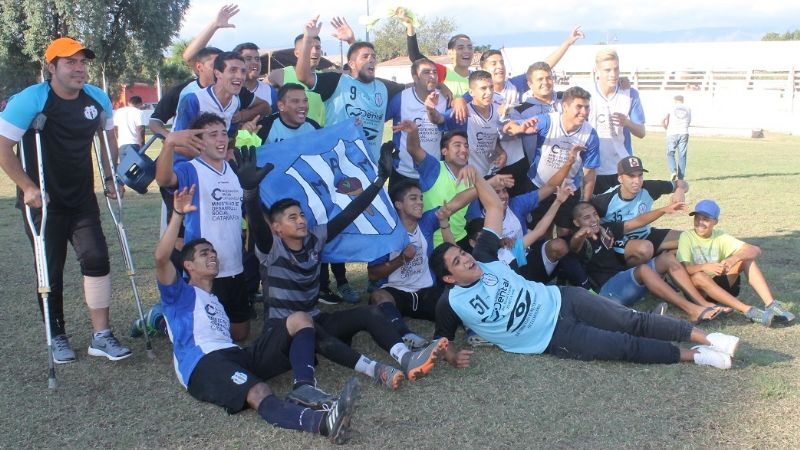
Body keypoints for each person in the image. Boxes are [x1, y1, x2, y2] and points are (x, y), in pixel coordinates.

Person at [429, 168, 740, 371]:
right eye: (458, 262)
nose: (467, 260)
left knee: (630, 320)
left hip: (563, 298)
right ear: (448, 278)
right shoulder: (452, 302)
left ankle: (708, 338)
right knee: (621, 346)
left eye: (462, 254)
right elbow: (441, 338)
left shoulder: (483, 254)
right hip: (551, 337)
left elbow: (494, 208)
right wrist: (451, 355)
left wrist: (478, 176)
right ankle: (696, 356)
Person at [154, 185, 359, 444]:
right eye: (204, 254)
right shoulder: (179, 295)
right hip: (204, 364)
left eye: (213, 252)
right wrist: (177, 214)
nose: (213, 256)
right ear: (188, 266)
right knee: (259, 391)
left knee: (300, 319)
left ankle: (304, 388)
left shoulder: (214, 300)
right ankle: (322, 423)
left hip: (235, 355)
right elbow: (161, 259)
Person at [236, 143, 449, 390]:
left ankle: (407, 357)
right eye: (292, 218)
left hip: (314, 320)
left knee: (368, 313)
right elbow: (257, 225)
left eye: (302, 215)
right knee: (314, 329)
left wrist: (380, 180)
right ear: (277, 228)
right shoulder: (270, 249)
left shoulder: (315, 239)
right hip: (282, 330)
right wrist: (250, 192)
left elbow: (350, 213)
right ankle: (374, 370)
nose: (301, 220)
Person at [0, 37, 131, 363]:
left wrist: (112, 176)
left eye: (83, 62)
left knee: (97, 258)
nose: (79, 68)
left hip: (82, 198)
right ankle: (56, 334)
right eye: (70, 62)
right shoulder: (30, 100)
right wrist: (27, 187)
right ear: (52, 67)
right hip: (42, 201)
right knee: (50, 268)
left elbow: (108, 138)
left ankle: (100, 335)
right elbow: (3, 147)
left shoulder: (97, 98)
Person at [155, 112, 252, 341]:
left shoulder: (235, 169)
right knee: (206, 334)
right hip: (203, 268)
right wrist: (169, 143)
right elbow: (163, 179)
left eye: (223, 134)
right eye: (212, 135)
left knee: (239, 335)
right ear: (198, 141)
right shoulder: (191, 170)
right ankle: (158, 319)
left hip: (234, 264)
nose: (221, 140)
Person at [569, 201, 728, 323]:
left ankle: (703, 303)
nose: (593, 219)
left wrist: (663, 210)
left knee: (667, 258)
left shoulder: (607, 229)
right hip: (608, 293)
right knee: (644, 270)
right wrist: (580, 235)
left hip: (624, 281)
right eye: (586, 217)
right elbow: (574, 247)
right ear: (576, 223)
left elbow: (636, 222)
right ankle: (692, 310)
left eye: (595, 214)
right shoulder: (580, 241)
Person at [368, 175, 475, 349]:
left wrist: (485, 184)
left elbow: (455, 204)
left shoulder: (426, 221)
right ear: (398, 204)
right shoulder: (386, 234)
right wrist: (401, 259)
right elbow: (372, 274)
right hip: (397, 291)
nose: (420, 202)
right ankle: (405, 335)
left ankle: (473, 330)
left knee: (455, 291)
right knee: (378, 296)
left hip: (427, 290)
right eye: (413, 198)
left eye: (421, 198)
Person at [296, 15, 404, 161]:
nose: (371, 59)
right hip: (338, 163)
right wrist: (308, 39)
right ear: (351, 64)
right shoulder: (337, 81)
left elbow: (416, 84)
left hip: (370, 167)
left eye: (373, 56)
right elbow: (303, 76)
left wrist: (442, 87)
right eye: (365, 56)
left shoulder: (382, 87)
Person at [677, 199, 795, 326]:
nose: (700, 222)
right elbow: (685, 269)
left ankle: (771, 304)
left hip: (719, 282)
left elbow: (755, 250)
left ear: (715, 222)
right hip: (698, 291)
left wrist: (732, 259)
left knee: (746, 259)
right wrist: (706, 266)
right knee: (699, 276)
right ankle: (748, 310)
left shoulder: (720, 236)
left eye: (705, 219)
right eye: (697, 218)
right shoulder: (687, 236)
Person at [514, 86, 599, 236]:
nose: (584, 112)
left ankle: (561, 259)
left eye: (587, 107)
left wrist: (585, 201)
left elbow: (590, 171)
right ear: (564, 106)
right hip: (538, 185)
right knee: (539, 231)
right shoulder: (548, 121)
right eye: (579, 107)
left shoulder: (590, 135)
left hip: (568, 189)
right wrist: (517, 129)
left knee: (565, 231)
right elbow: (517, 125)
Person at [591, 156, 688, 267]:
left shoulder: (649, 187)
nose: (637, 181)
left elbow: (682, 183)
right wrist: (600, 228)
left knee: (688, 239)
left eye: (640, 175)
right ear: (620, 178)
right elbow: (583, 214)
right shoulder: (605, 200)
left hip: (645, 234)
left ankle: (660, 267)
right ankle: (631, 276)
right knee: (645, 248)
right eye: (631, 176)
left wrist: (680, 189)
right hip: (618, 243)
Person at [267, 16, 357, 126]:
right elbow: (257, 90)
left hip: (319, 137)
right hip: (291, 138)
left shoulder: (326, 78)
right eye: (310, 47)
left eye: (318, 48)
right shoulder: (280, 74)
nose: (315, 52)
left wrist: (351, 41)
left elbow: (358, 74)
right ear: (297, 53)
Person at [588, 49, 646, 194]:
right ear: (597, 70)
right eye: (607, 70)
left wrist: (627, 122)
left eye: (616, 69)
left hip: (622, 168)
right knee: (594, 213)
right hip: (593, 169)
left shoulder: (630, 94)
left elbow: (641, 132)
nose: (613, 74)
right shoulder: (586, 94)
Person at [386, 57, 447, 188]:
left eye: (435, 72)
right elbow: (379, 119)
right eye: (426, 72)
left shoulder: (444, 99)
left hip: (432, 172)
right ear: (415, 77)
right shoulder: (401, 98)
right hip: (402, 172)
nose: (432, 76)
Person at [662, 95, 691, 181]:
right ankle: (681, 177)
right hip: (684, 132)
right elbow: (689, 121)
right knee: (682, 155)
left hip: (672, 132)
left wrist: (666, 128)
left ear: (675, 100)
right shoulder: (688, 108)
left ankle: (673, 171)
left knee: (670, 153)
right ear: (682, 100)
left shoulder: (671, 107)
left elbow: (663, 120)